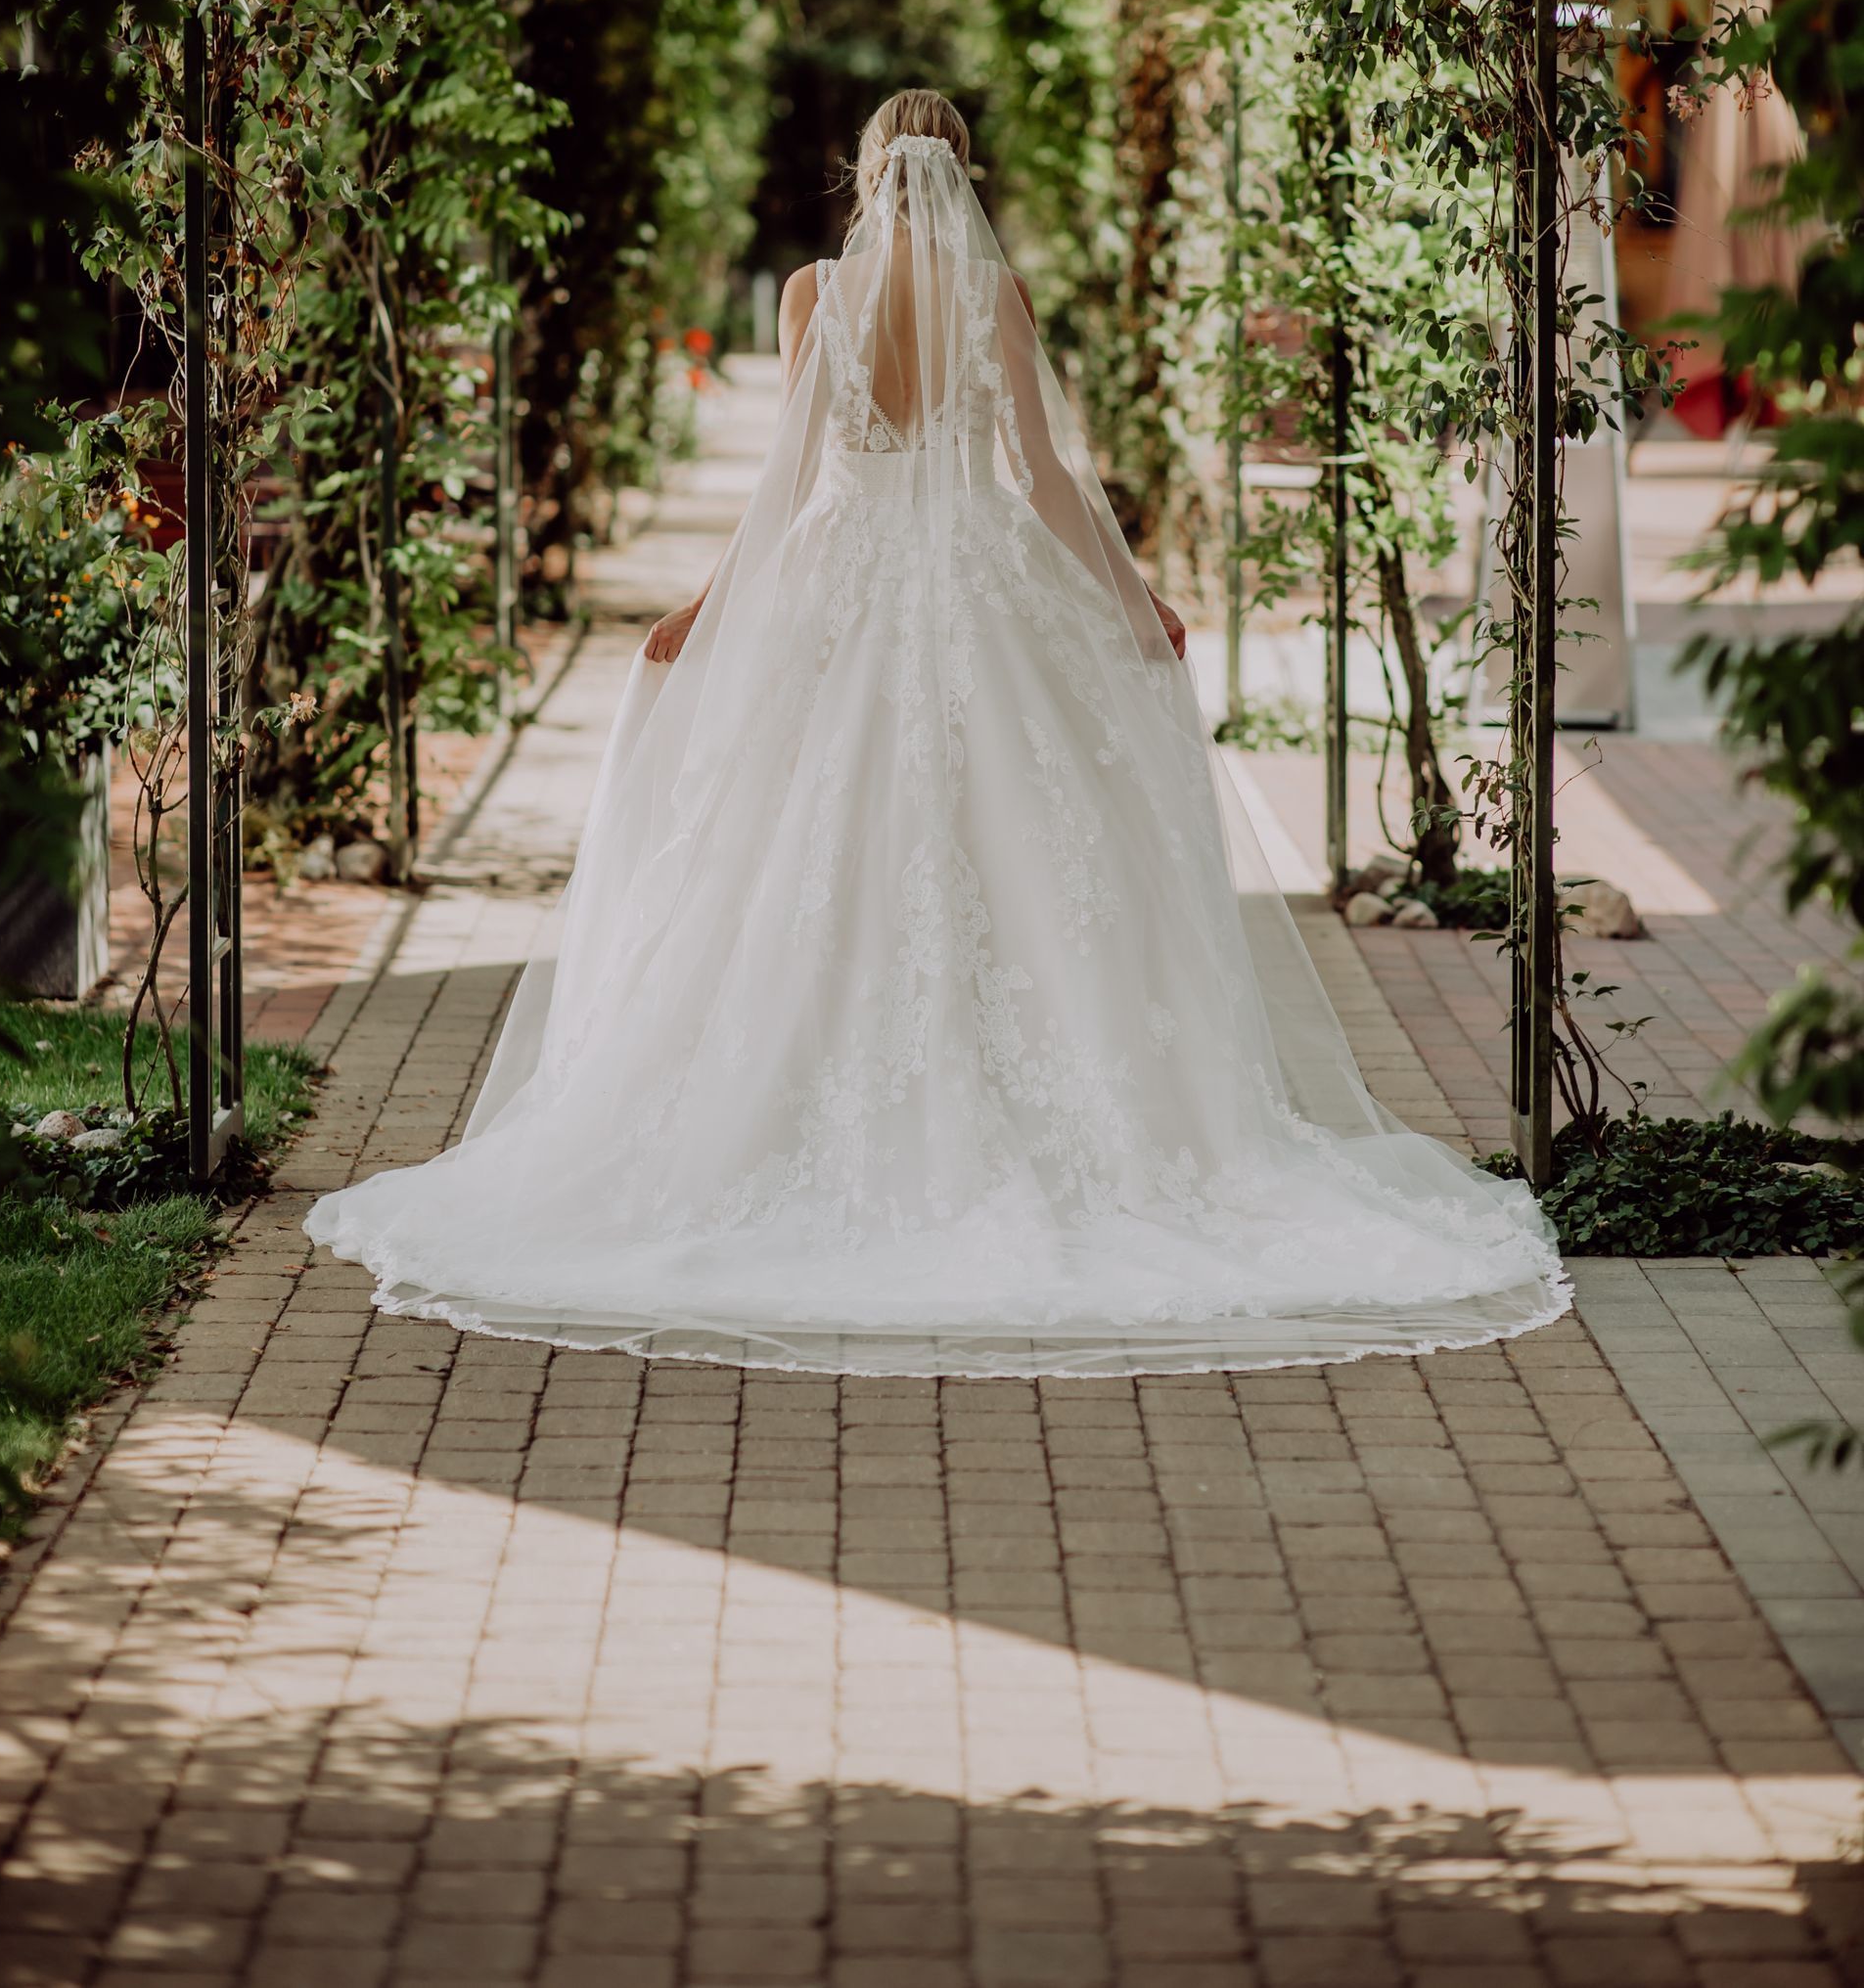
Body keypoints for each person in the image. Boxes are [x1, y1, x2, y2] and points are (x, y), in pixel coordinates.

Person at [308, 89, 1564, 1374]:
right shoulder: (993, 294)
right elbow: (1046, 475)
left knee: (809, 848)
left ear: (867, 174)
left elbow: (785, 490)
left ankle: (797, 1106)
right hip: (984, 581)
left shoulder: (812, 296)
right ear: (964, 170)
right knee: (1022, 843)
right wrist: (1139, 604)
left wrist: (702, 609)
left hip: (840, 587)